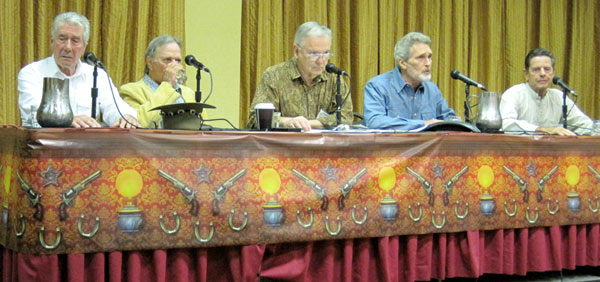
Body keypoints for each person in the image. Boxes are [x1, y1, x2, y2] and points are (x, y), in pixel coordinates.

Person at [18, 11, 138, 128]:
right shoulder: (32, 73)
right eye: (62, 39)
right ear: (52, 42)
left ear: (84, 47)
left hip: (86, 146)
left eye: (75, 41)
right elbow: (32, 111)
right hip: (45, 145)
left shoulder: (96, 75)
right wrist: (69, 120)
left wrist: (126, 117)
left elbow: (115, 106)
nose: (68, 47)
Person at [246, 21, 353, 131]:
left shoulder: (334, 77)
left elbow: (346, 118)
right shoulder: (274, 76)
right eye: (314, 54)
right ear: (296, 51)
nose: (321, 61)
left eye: (326, 53)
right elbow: (256, 119)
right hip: (285, 146)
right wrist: (287, 122)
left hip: (325, 146)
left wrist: (308, 124)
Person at [363, 32, 456, 131]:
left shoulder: (432, 90)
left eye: (429, 57)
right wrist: (423, 124)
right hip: (392, 146)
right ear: (403, 63)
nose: (428, 63)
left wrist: (455, 122)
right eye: (421, 58)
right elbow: (375, 121)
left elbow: (448, 118)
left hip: (428, 146)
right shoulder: (378, 86)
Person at [500, 48, 593, 136]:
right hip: (518, 151)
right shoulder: (514, 94)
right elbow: (508, 125)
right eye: (536, 69)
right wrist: (544, 130)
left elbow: (585, 125)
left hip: (553, 151)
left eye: (547, 69)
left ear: (553, 73)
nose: (542, 74)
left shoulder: (559, 97)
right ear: (526, 74)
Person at [120, 35, 196, 128]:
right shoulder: (131, 91)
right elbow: (138, 124)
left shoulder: (188, 93)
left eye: (178, 60)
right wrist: (167, 85)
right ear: (149, 62)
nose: (174, 65)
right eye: (167, 60)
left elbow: (203, 127)